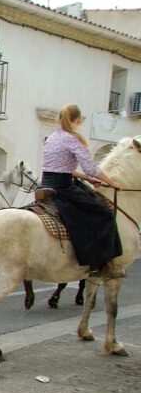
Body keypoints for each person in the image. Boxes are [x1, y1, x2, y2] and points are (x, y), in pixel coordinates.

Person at [40, 103, 124, 279]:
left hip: (46, 184)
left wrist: (87, 179)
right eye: (79, 121)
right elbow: (91, 168)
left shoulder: (52, 138)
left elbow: (64, 168)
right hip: (64, 188)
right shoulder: (72, 139)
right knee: (104, 214)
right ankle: (99, 264)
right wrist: (112, 183)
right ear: (77, 120)